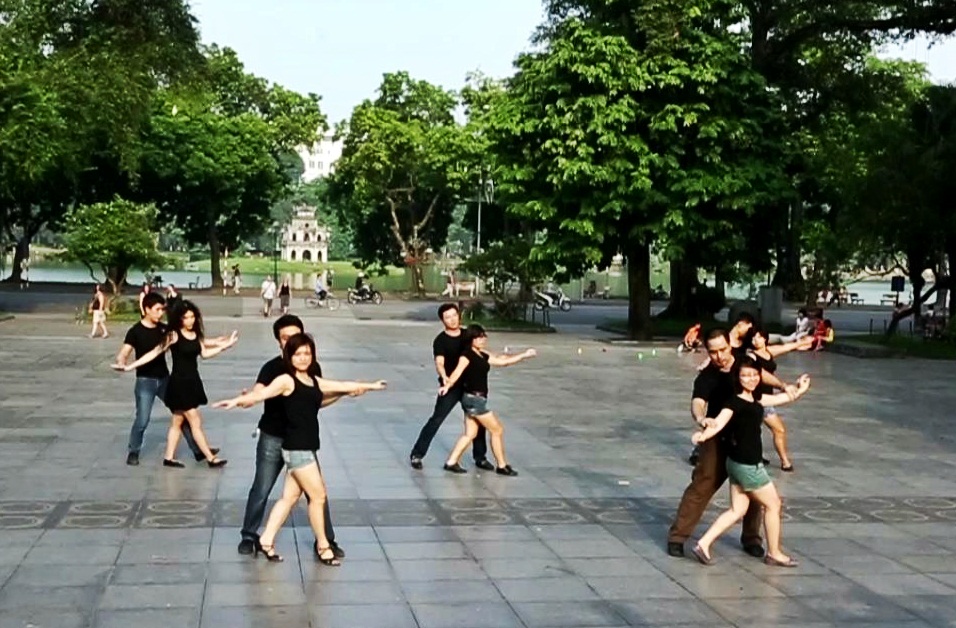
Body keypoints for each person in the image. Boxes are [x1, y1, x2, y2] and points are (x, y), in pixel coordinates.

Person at [213, 333, 387, 564]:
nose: (303, 358)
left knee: (289, 498)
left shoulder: (313, 380)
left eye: (307, 353)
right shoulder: (286, 380)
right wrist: (236, 401)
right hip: (298, 449)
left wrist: (370, 386)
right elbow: (261, 394)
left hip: (306, 446)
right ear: (289, 356)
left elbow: (342, 385)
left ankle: (266, 540)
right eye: (298, 354)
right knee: (318, 496)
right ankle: (324, 546)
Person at [667, 328, 801, 559]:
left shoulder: (741, 362)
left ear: (730, 344)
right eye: (713, 352)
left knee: (754, 488)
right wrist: (701, 419)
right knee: (703, 484)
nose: (719, 356)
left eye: (723, 349)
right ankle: (678, 537)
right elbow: (698, 402)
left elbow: (759, 374)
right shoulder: (707, 376)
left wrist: (782, 385)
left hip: (745, 438)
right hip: (717, 437)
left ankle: (752, 538)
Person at [237, 314, 355, 559]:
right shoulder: (272, 368)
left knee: (316, 491)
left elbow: (316, 401)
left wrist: (343, 392)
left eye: (295, 335)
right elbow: (259, 391)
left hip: (301, 441)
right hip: (273, 437)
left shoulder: (311, 367)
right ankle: (249, 535)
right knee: (262, 487)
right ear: (279, 341)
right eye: (285, 337)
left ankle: (326, 540)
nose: (290, 340)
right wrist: (249, 397)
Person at [690, 358, 811, 567]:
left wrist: (800, 389)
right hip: (747, 466)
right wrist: (702, 434)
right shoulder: (734, 402)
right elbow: (718, 423)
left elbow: (781, 398)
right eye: (745, 375)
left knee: (737, 510)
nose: (751, 379)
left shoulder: (755, 399)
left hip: (737, 463)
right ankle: (774, 553)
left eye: (755, 375)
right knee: (773, 504)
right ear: (737, 378)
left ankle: (703, 544)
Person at [115, 300, 236, 467]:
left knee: (177, 421)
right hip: (179, 383)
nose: (190, 320)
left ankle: (169, 457)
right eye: (186, 317)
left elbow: (205, 353)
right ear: (180, 319)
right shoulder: (173, 335)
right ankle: (209, 457)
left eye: (192, 317)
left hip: (192, 381)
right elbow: (154, 352)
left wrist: (224, 346)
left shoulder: (195, 334)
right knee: (194, 420)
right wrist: (130, 366)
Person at [440, 325, 536, 476]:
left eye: (483, 336)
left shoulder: (481, 354)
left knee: (470, 434)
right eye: (479, 337)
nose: (482, 339)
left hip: (474, 399)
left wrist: (524, 355)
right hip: (474, 400)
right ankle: (502, 465)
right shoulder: (466, 356)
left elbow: (501, 362)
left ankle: (451, 462)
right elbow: (457, 372)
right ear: (471, 339)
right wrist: (447, 386)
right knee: (497, 429)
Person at [410, 304, 492, 471]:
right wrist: (445, 377)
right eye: (448, 317)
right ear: (442, 320)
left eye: (454, 315)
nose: (452, 320)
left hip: (470, 386)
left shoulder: (467, 335)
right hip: (450, 386)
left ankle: (480, 457)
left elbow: (480, 353)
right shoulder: (440, 341)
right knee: (437, 419)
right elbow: (439, 362)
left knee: (478, 420)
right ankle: (417, 454)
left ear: (459, 315)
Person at [743, 327, 813, 471]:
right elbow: (762, 374)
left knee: (771, 430)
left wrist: (802, 342)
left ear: (765, 338)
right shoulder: (751, 357)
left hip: (768, 398)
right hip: (756, 398)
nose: (755, 340)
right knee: (772, 429)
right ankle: (784, 461)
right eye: (753, 338)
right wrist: (783, 386)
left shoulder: (768, 351)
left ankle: (767, 458)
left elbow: (785, 347)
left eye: (758, 337)